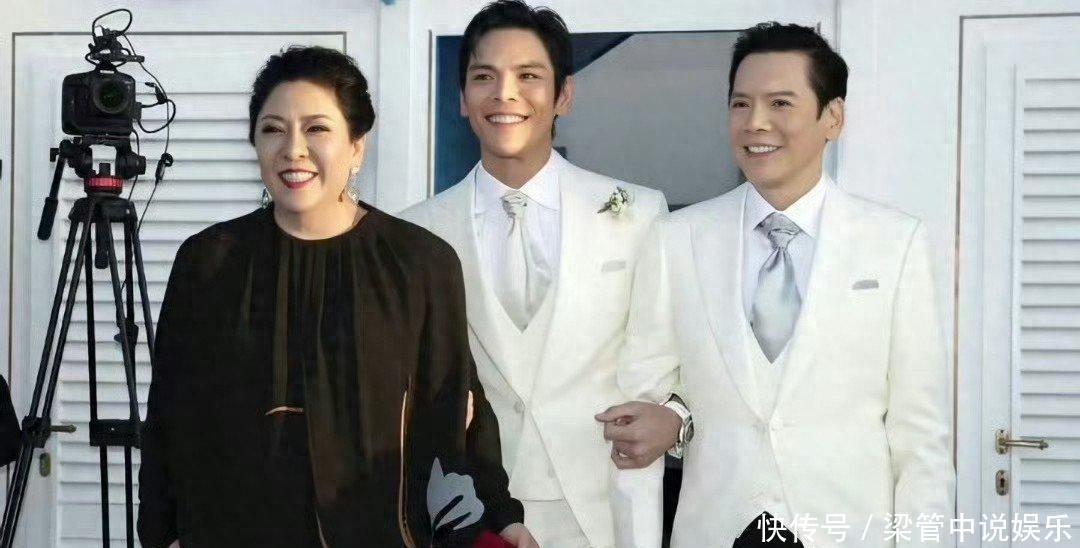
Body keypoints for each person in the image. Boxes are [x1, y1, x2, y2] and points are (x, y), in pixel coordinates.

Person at [137, 45, 535, 548]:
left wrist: (503, 516)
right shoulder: (208, 262)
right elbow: (170, 416)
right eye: (272, 130)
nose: (293, 150)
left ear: (356, 147)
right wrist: (161, 534)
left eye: (317, 129)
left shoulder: (419, 263)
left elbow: (455, 404)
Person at [610, 23, 954, 547]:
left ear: (832, 117)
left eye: (780, 103)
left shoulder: (894, 243)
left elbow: (920, 440)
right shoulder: (676, 239)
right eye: (740, 104)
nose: (756, 122)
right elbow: (641, 415)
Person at [400, 2, 670, 546]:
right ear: (462, 97)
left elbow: (665, 359)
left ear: (563, 95)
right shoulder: (415, 234)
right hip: (474, 514)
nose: (505, 94)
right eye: (484, 77)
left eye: (528, 76)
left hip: (603, 502)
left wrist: (674, 417)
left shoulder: (639, 214)